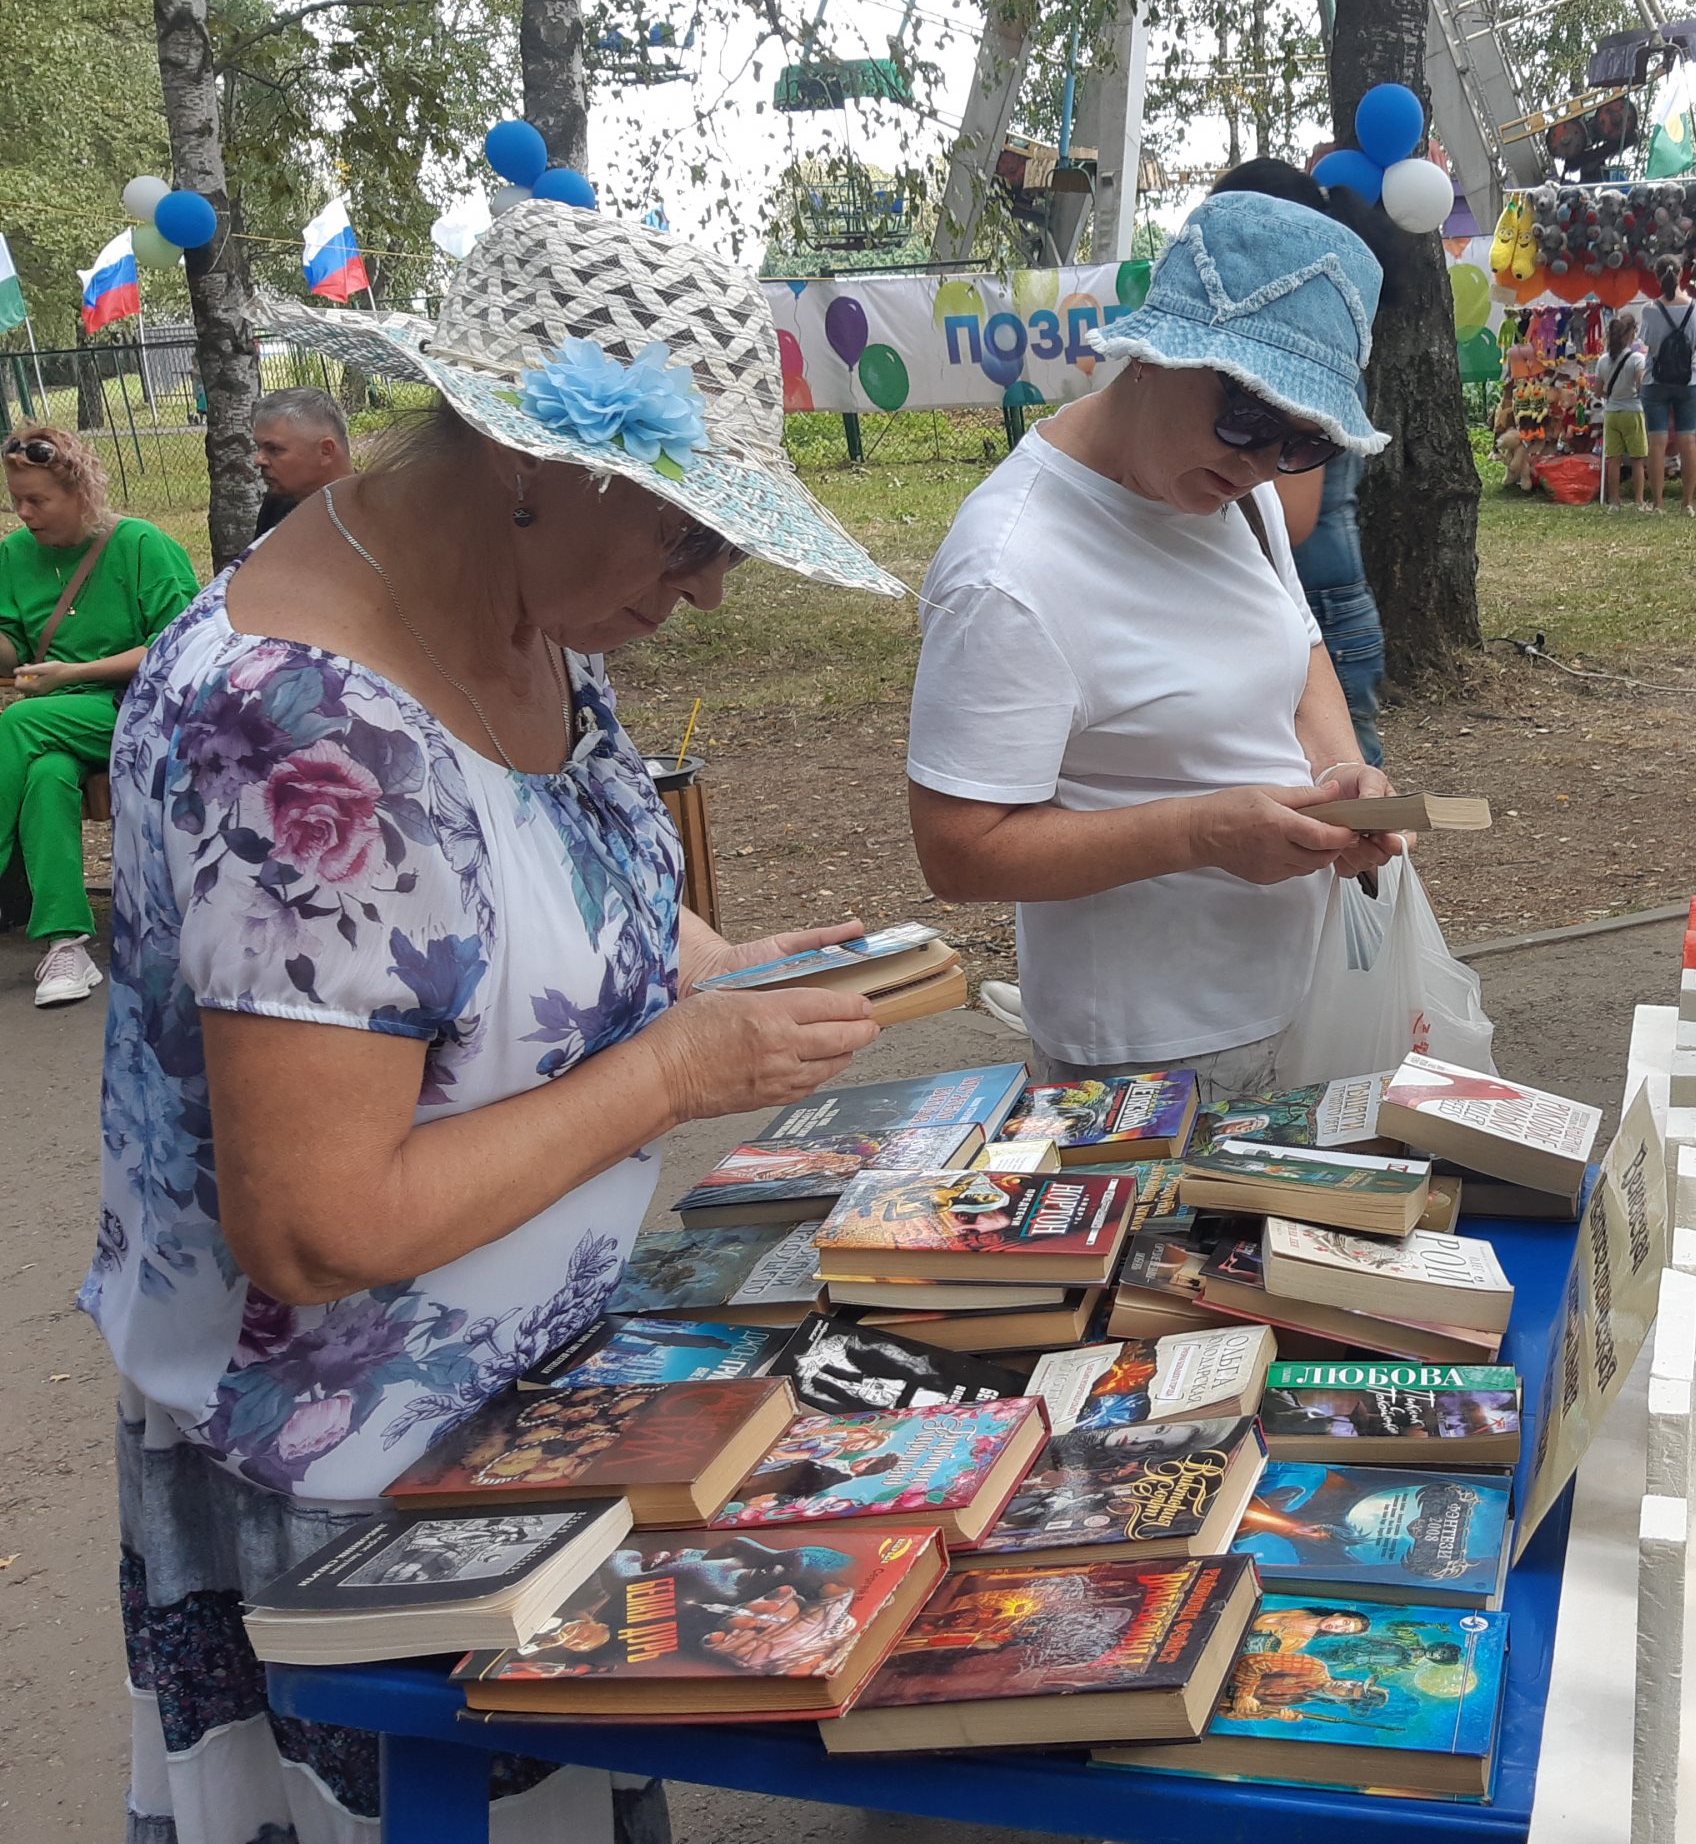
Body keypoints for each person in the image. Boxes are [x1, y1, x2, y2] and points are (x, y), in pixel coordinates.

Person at [85, 200, 898, 1844]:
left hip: (523, 1435)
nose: (716, 590)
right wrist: (678, 1070)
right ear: (544, 465)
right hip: (346, 1495)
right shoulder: (299, 729)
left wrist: (707, 974)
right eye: (695, 534)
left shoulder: (521, 610)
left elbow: (550, 886)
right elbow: (319, 1225)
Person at [906, 190, 1398, 1101]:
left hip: (1303, 994)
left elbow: (1299, 652)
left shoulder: (1225, 491)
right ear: (1153, 355)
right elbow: (959, 851)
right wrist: (1204, 832)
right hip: (1145, 1055)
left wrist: (1340, 782)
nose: (1259, 463)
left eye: (1300, 443)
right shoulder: (1010, 567)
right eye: (1246, 418)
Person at [1, 426, 196, 1007]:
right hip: (62, 719)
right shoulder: (13, 555)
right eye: (16, 500)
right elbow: (11, 643)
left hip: (144, 710)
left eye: (39, 501)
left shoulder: (140, 544)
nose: (25, 513)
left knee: (18, 725)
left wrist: (73, 674)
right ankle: (66, 944)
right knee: (45, 774)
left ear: (81, 493)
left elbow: (180, 647)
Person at [1217, 158, 1391, 769]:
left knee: (1349, 830)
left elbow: (1289, 518)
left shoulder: (1308, 366)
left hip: (1322, 606)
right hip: (1320, 602)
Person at [1638, 259, 1696, 514]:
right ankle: (1687, 502)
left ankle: (1658, 502)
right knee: (1688, 439)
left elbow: (1649, 346)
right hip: (1689, 380)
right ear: (1681, 276)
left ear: (1657, 277)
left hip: (1655, 381)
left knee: (1657, 442)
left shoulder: (1649, 310)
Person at [250, 386, 356, 537]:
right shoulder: (279, 502)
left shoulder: (375, 515)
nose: (259, 460)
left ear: (326, 451)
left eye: (273, 449)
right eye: (259, 447)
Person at [1595, 309, 1649, 509]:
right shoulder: (1637, 359)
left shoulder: (1602, 360)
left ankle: (1614, 502)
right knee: (1637, 459)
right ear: (1631, 334)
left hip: (1611, 413)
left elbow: (1598, 391)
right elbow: (1641, 385)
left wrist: (1612, 395)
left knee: (1614, 460)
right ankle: (1639, 501)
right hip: (1633, 411)